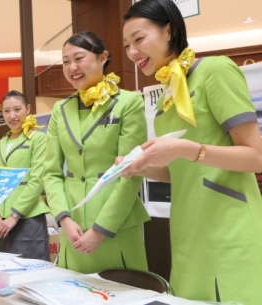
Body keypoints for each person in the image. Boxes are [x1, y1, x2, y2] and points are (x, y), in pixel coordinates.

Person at [121, 1, 262, 304]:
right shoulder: (167, 98)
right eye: (127, 45)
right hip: (187, 229)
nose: (132, 52)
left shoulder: (216, 70)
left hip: (229, 227)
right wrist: (141, 167)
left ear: (169, 30)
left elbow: (255, 156)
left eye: (139, 39)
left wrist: (185, 148)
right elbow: (181, 171)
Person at [43, 31, 150, 274]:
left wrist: (101, 229)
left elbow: (131, 172)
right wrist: (64, 219)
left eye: (79, 58)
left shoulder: (128, 102)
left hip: (116, 225)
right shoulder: (60, 110)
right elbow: (50, 172)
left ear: (103, 58)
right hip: (74, 227)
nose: (72, 67)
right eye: (65, 61)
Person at [0, 90, 50, 261]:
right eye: (6, 111)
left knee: (32, 273)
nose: (12, 116)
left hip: (28, 218)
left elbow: (37, 181)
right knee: (6, 275)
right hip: (2, 222)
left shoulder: (38, 139)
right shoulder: (1, 144)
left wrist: (14, 216)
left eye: (17, 109)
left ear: (28, 109)